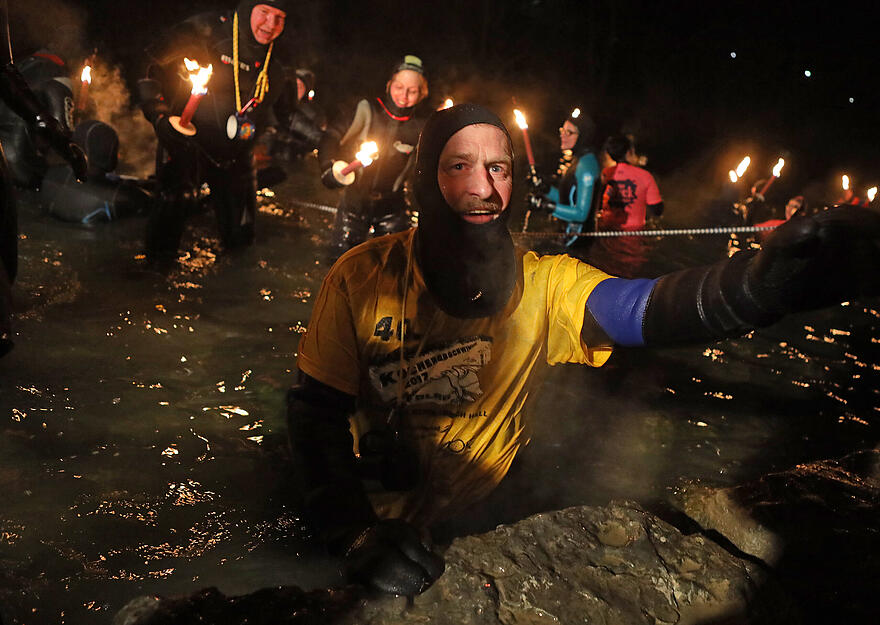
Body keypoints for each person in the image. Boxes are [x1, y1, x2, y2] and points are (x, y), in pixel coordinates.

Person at [287, 104, 879, 596]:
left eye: (498, 168)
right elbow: (316, 414)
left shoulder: (543, 283)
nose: (481, 188)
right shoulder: (362, 275)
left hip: (463, 515)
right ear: (424, 180)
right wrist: (352, 533)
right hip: (358, 509)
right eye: (457, 167)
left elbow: (644, 309)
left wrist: (756, 289)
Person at [137, 0, 290, 264]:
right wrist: (160, 116)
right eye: (264, 12)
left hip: (236, 153)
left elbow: (279, 111)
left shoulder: (277, 57)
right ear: (248, 8)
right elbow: (147, 65)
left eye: (279, 17)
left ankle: (233, 298)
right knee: (165, 234)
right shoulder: (205, 29)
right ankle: (151, 286)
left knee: (242, 244)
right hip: (188, 143)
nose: (270, 25)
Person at [0, 20, 88, 357]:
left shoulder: (23, 64)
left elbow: (7, 82)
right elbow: (57, 127)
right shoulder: (55, 78)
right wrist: (67, 147)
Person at [317, 55, 429, 252]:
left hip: (392, 208)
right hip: (354, 203)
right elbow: (331, 136)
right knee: (340, 264)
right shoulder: (367, 110)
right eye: (399, 87)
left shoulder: (424, 126)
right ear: (389, 85)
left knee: (393, 268)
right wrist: (328, 166)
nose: (404, 96)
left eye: (412, 91)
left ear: (422, 94)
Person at [588, 134, 664, 276]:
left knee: (603, 271)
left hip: (606, 232)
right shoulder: (645, 176)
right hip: (632, 238)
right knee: (627, 277)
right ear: (629, 152)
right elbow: (657, 210)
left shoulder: (605, 174)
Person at [532, 109, 600, 246]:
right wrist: (546, 189)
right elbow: (568, 200)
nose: (563, 135)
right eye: (562, 130)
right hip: (568, 237)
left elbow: (581, 214)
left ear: (583, 136)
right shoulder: (579, 160)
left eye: (569, 132)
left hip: (578, 243)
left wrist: (547, 206)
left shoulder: (586, 165)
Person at [270, 67, 325, 161]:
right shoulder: (275, 105)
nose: (295, 89)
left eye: (300, 86)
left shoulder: (311, 114)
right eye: (293, 85)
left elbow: (316, 138)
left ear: (305, 91)